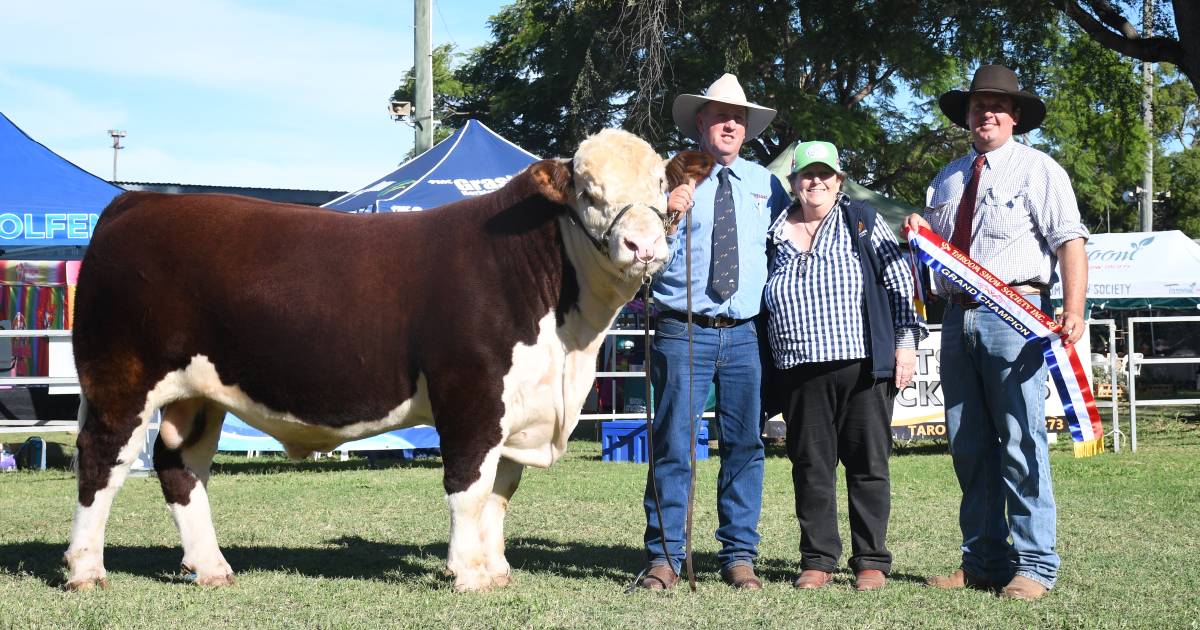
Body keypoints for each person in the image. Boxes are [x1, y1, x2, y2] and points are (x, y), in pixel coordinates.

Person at [906, 65, 1088, 601]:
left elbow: (1070, 241)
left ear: (1014, 118)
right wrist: (916, 232)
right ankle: (984, 559)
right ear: (967, 115)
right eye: (978, 105)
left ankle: (1035, 565)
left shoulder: (1041, 170)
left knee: (1021, 438)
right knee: (967, 444)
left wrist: (1073, 308)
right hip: (955, 316)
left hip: (1016, 314)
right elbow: (933, 253)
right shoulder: (946, 178)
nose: (987, 113)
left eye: (998, 106)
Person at [638, 73, 789, 590]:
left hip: (745, 333)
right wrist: (669, 215)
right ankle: (664, 557)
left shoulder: (767, 185)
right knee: (674, 443)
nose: (730, 123)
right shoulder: (667, 176)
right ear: (700, 121)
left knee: (745, 444)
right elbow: (643, 257)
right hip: (684, 329)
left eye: (738, 117)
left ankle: (739, 556)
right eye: (720, 115)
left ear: (746, 128)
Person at [765, 141, 925, 592]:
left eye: (825, 175)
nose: (816, 182)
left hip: (862, 365)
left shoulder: (864, 221)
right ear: (793, 182)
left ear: (839, 181)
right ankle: (817, 560)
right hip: (798, 367)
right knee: (810, 466)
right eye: (806, 175)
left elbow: (900, 285)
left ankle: (870, 561)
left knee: (867, 463)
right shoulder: (774, 232)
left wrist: (905, 345)